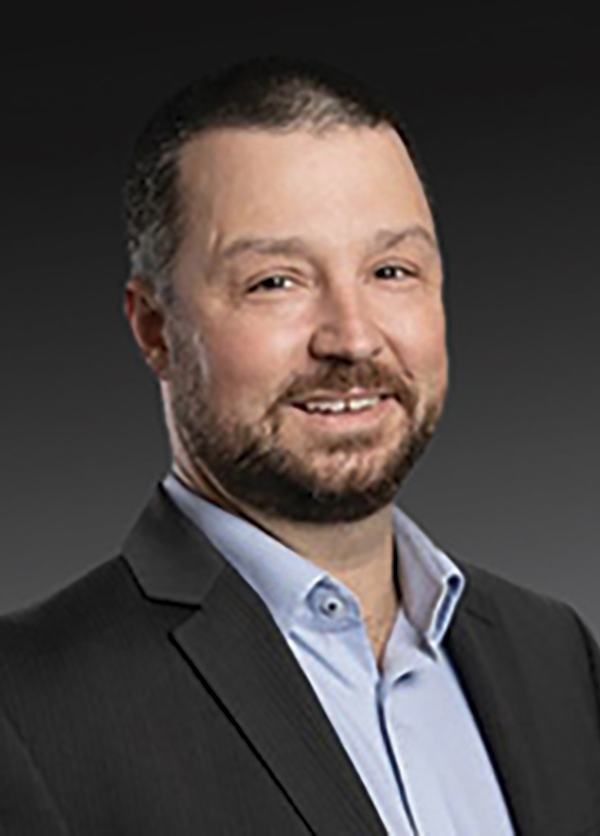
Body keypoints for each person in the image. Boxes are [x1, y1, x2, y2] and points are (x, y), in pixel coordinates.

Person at [1, 56, 599, 836]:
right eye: (275, 282)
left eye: (391, 269)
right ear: (155, 328)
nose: (352, 337)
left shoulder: (557, 657)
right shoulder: (26, 709)